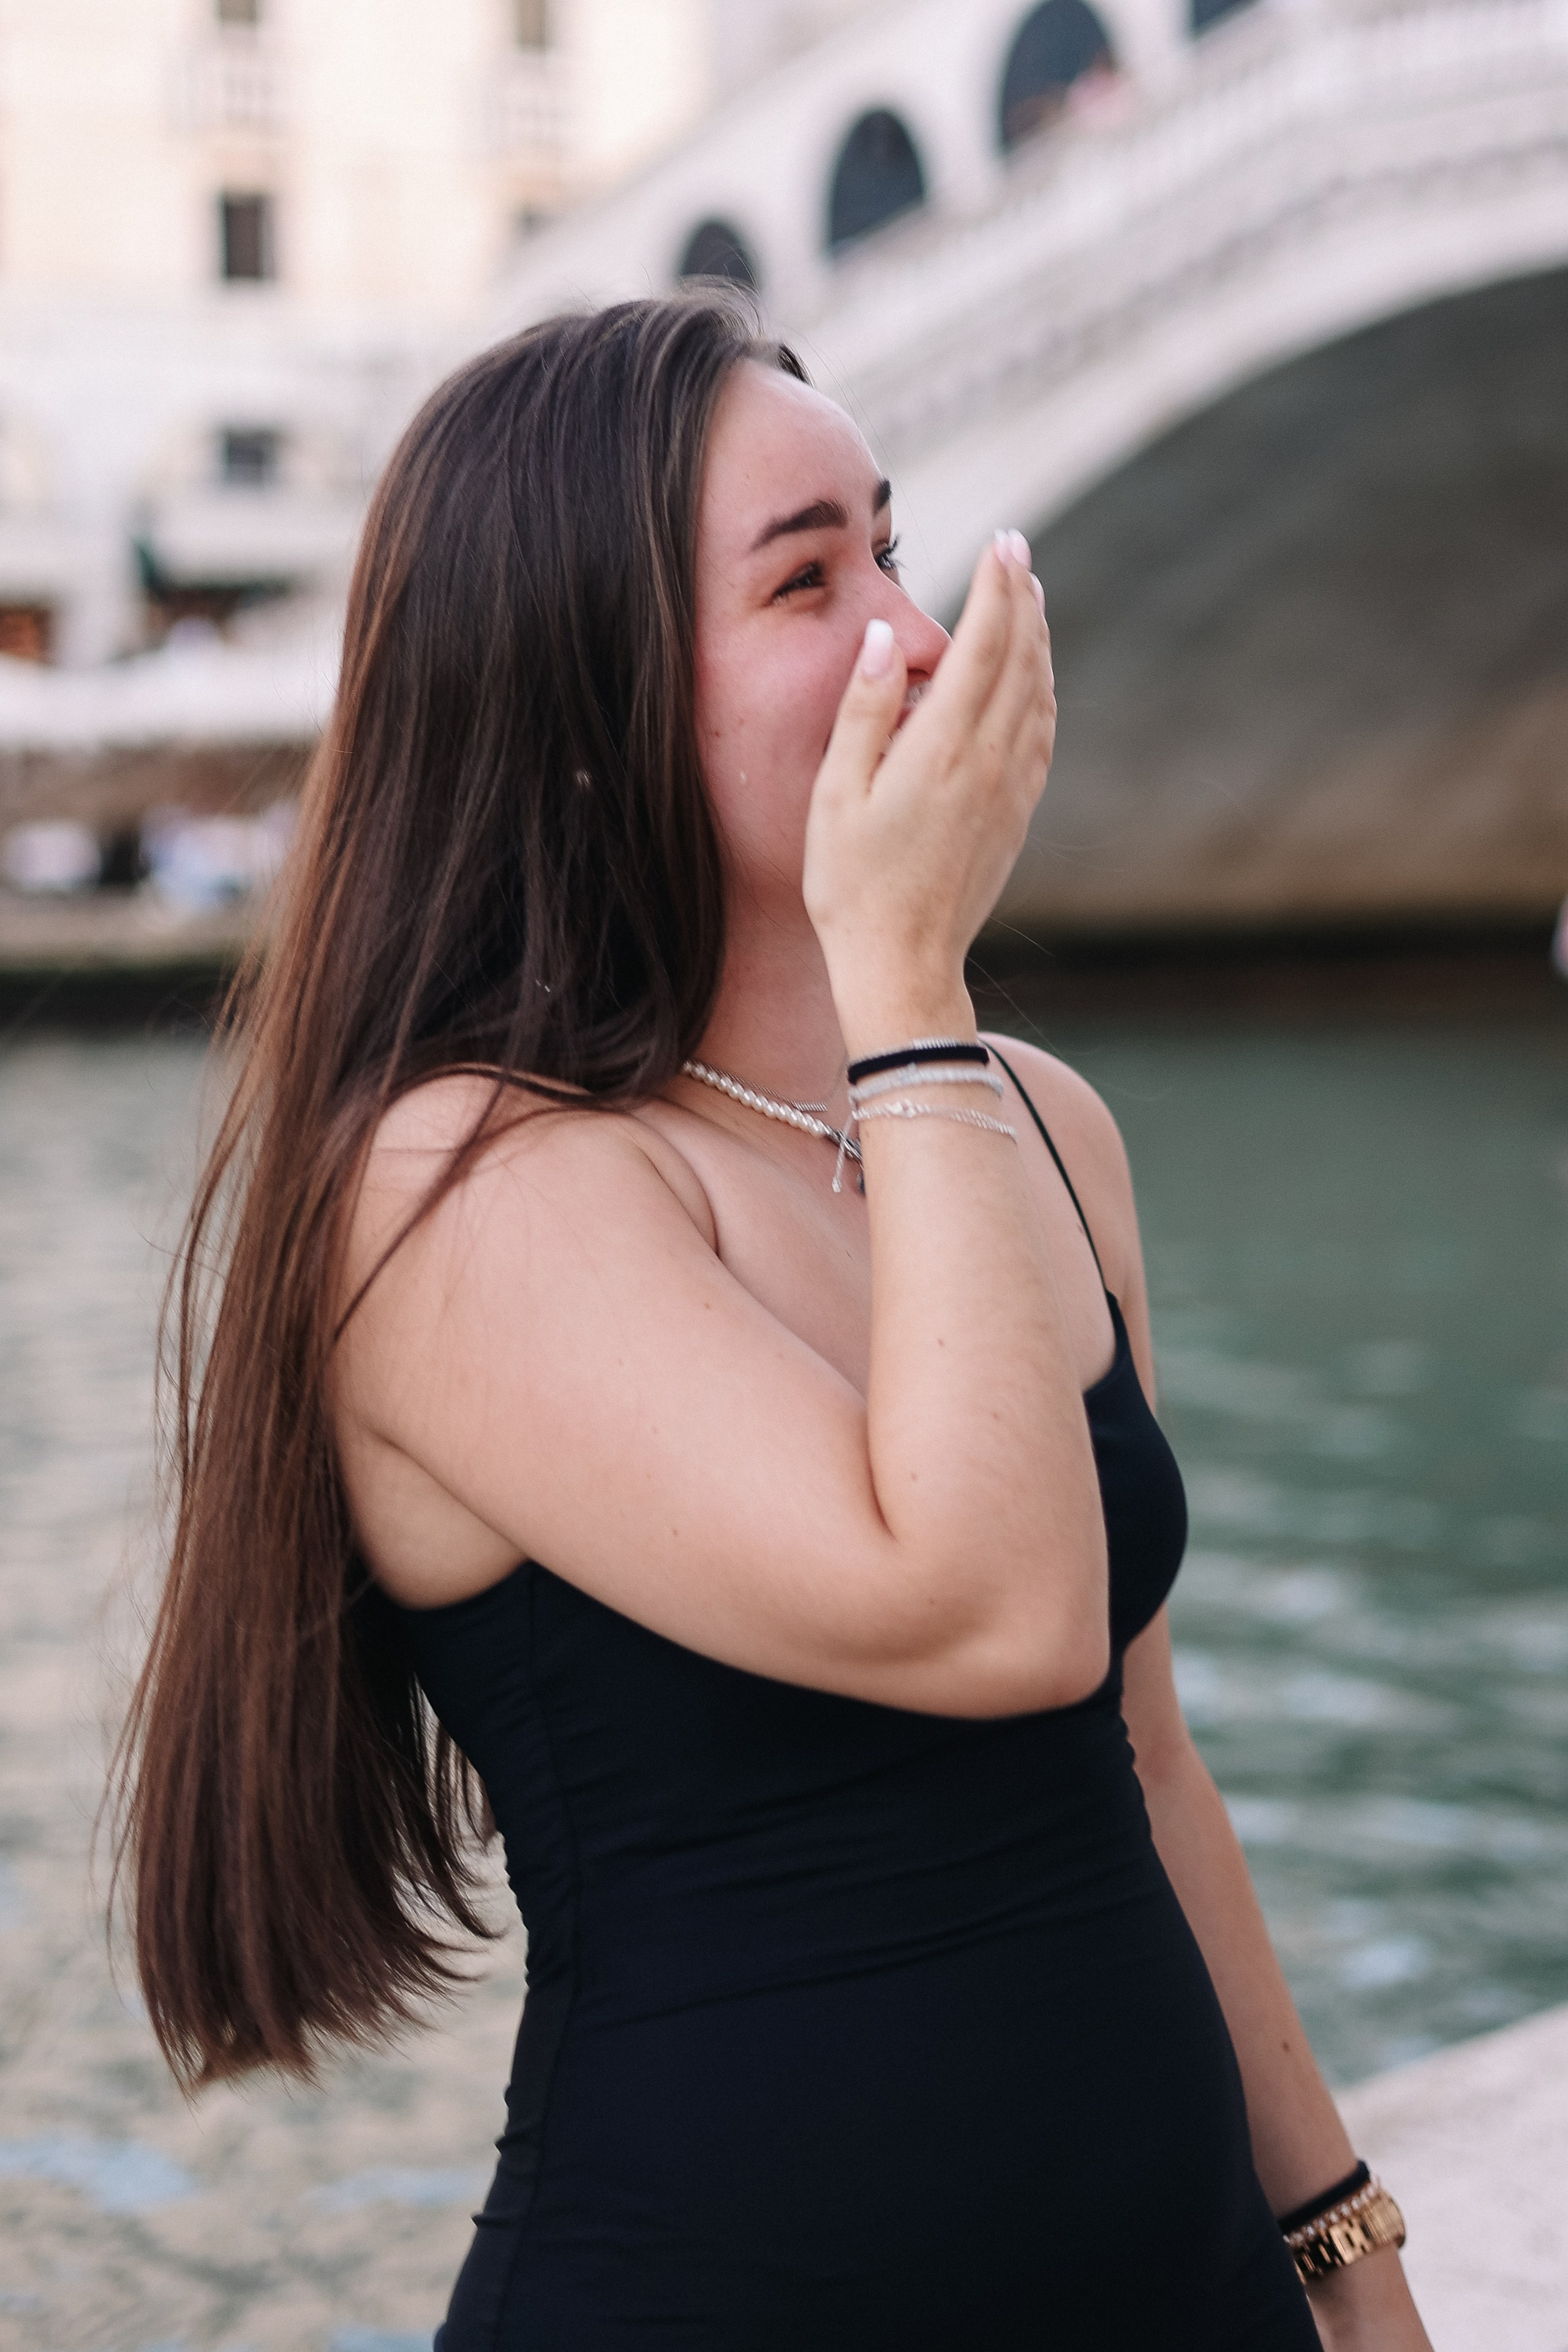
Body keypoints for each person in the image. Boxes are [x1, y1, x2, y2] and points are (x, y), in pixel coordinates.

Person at [116, 296, 1433, 2349]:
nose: (908, 636)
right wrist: (908, 965)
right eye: (805, 581)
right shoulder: (461, 1188)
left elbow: (1143, 1758)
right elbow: (991, 1615)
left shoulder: (1035, 1129)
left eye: (889, 549)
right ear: (583, 693)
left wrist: (1346, 2246)